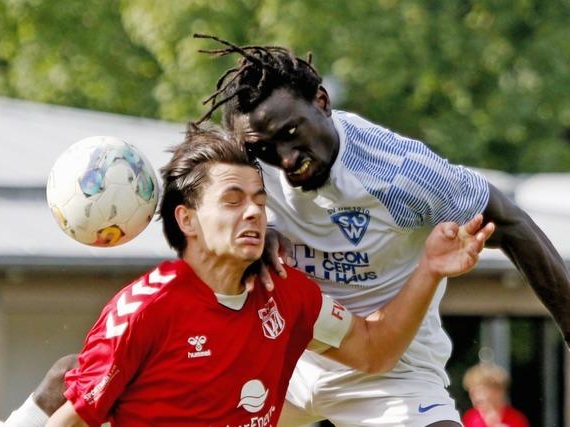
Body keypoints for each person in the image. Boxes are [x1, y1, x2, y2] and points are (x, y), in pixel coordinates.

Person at [193, 34, 570, 426]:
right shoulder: (247, 163)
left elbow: (513, 223)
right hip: (282, 358)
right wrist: (254, 233)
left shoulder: (400, 175)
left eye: (291, 134)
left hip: (390, 374)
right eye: (267, 149)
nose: (286, 161)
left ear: (322, 102)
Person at [26, 125, 494, 426]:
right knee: (63, 377)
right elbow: (69, 422)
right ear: (187, 220)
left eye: (259, 199)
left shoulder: (287, 293)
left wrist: (430, 268)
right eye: (233, 200)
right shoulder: (145, 309)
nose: (253, 212)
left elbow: (376, 350)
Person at [461, 363, 529, 427]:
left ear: (498, 391)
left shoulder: (516, 419)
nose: (474, 397)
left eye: (479, 391)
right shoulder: (469, 419)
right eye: (471, 391)